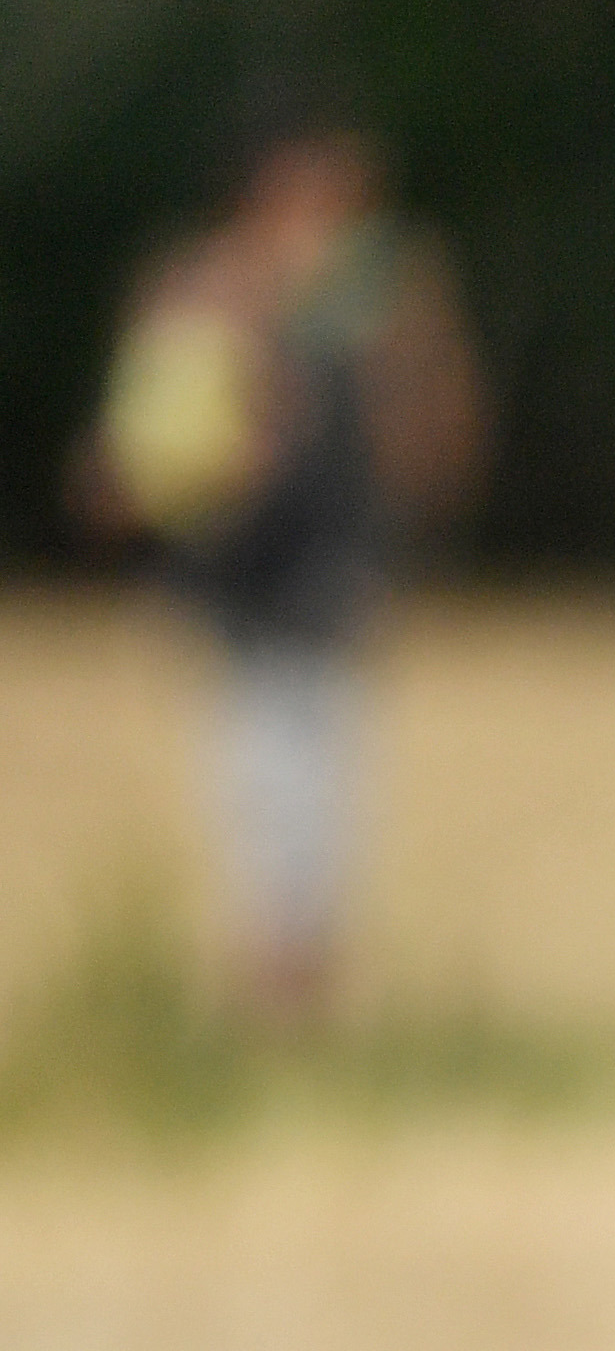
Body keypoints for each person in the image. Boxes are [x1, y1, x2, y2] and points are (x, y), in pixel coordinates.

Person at [64, 96, 484, 1026]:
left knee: (322, 787)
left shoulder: (380, 300)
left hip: (330, 577)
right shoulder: (204, 286)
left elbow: (434, 437)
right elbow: (151, 431)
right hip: (234, 577)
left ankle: (299, 981)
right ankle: (275, 983)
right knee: (261, 782)